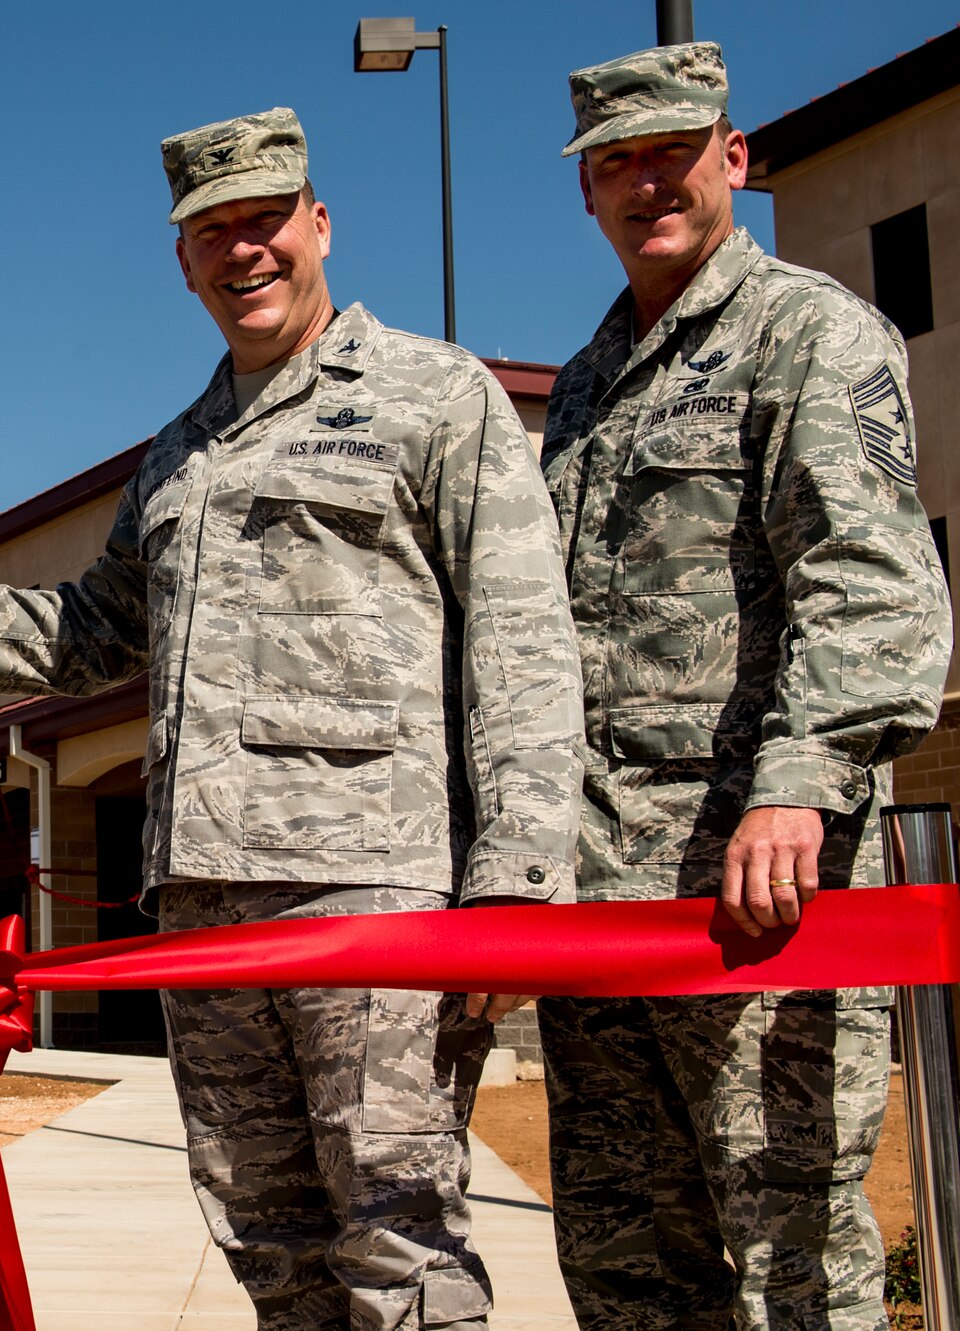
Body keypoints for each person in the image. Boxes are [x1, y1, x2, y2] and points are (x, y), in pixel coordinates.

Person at [0, 109, 583, 1330]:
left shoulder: (431, 396)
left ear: (318, 223)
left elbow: (518, 631)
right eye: (212, 232)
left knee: (399, 1241)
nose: (245, 253)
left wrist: (515, 870)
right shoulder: (179, 454)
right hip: (204, 905)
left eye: (265, 221)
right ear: (182, 260)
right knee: (265, 1239)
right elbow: (91, 634)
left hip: (371, 895)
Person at [536, 43, 951, 1330]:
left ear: (733, 156)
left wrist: (797, 790)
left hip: (756, 896)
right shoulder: (588, 388)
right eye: (615, 164)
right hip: (600, 911)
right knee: (625, 1268)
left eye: (670, 151)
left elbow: (868, 579)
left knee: (789, 1267)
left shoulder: (807, 333)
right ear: (586, 194)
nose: (644, 182)